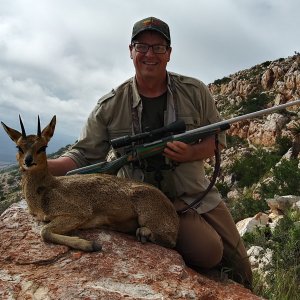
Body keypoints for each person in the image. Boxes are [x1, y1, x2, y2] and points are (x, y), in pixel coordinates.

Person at [48, 16, 252, 289]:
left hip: (195, 192)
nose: (149, 54)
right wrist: (39, 165)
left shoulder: (195, 91)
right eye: (142, 47)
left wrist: (190, 153)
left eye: (158, 47)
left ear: (169, 53)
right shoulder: (110, 105)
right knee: (209, 252)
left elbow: (218, 140)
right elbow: (83, 156)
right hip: (143, 204)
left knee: (240, 262)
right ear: (130, 51)